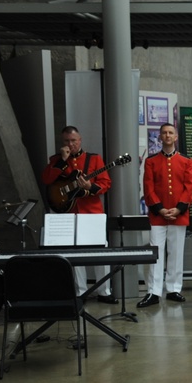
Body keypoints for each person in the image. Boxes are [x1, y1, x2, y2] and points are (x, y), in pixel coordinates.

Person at [41, 125, 116, 303]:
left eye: (73, 140)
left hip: (92, 212)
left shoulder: (94, 159)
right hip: (68, 212)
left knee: (100, 251)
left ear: (80, 140)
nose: (71, 144)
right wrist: (62, 161)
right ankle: (79, 292)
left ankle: (104, 292)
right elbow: (46, 179)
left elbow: (106, 183)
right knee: (73, 253)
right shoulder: (56, 159)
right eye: (67, 141)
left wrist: (90, 187)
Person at [138, 123, 192, 307]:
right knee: (156, 252)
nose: (168, 135)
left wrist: (178, 208)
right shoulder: (151, 161)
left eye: (171, 132)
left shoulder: (186, 161)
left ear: (176, 137)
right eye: (164, 133)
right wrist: (160, 209)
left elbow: (189, 187)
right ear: (160, 137)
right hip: (158, 215)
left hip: (179, 214)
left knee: (176, 252)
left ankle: (174, 289)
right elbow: (149, 188)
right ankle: (153, 291)